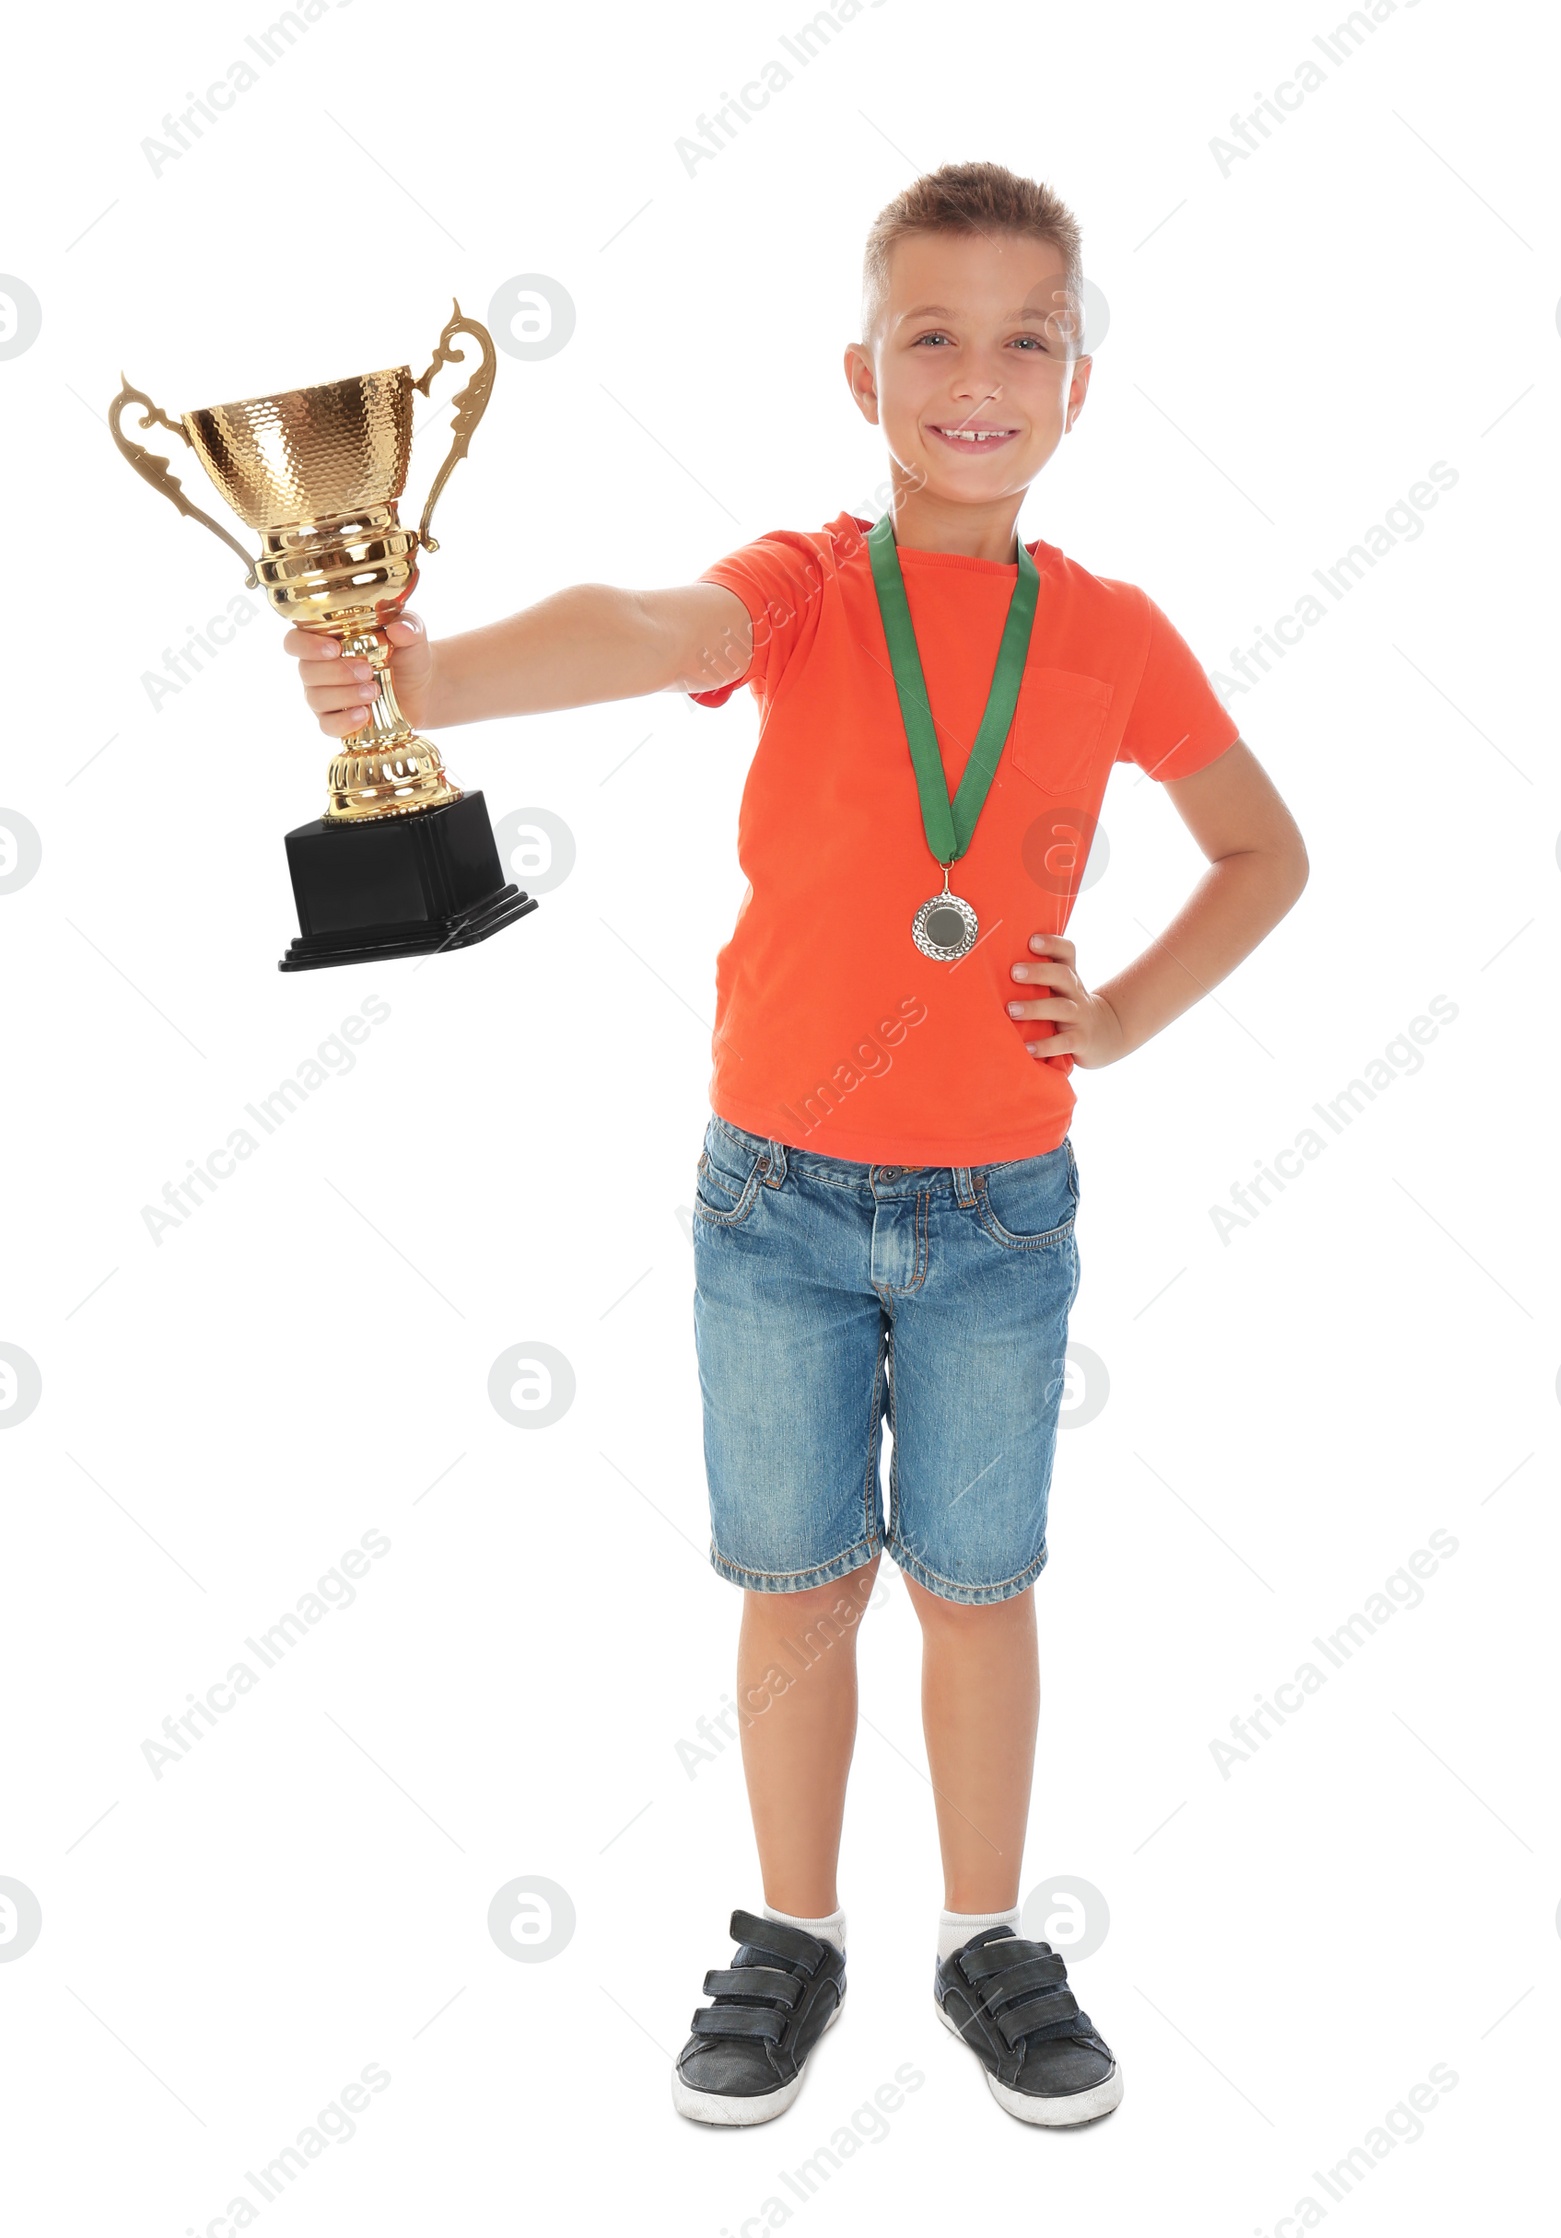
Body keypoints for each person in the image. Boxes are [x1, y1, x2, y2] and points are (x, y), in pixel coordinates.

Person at [285, 160, 1308, 2129]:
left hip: (1002, 1204)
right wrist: (429, 675)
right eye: (931, 332)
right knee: (793, 1581)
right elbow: (639, 619)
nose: (976, 372)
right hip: (772, 1199)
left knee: (979, 1584)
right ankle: (789, 1936)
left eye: (1024, 335)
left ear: (1077, 385)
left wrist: (1114, 1015)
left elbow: (1263, 851)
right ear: (862, 372)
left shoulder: (1111, 635)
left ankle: (987, 1935)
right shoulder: (805, 584)